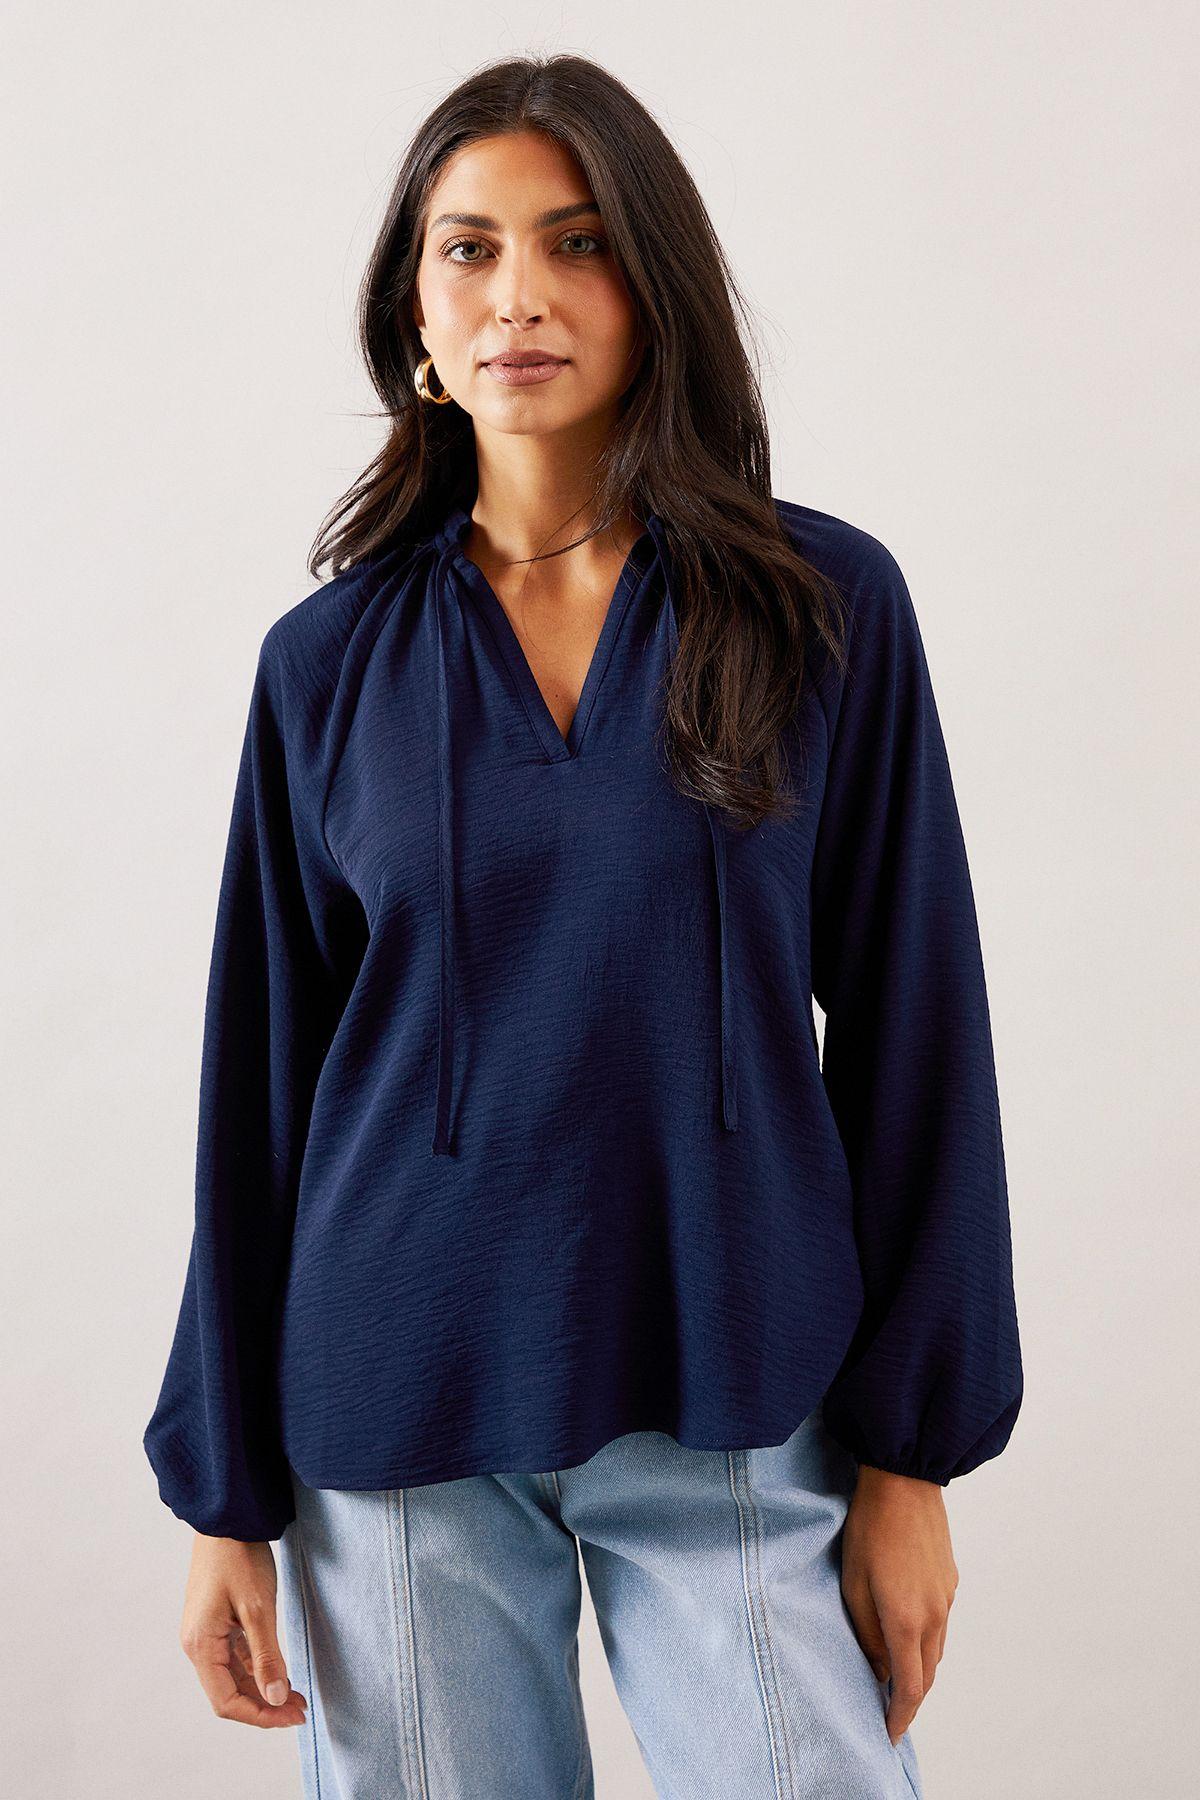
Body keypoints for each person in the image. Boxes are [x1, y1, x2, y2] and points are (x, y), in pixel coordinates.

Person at [143, 52, 1022, 1800]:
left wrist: (912, 1459)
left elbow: (918, 1030)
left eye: (578, 241)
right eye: (468, 250)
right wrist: (225, 1501)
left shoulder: (818, 607)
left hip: (734, 1383)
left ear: (655, 285)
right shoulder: (325, 668)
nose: (519, 295)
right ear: (414, 311)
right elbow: (261, 1089)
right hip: (394, 1417)